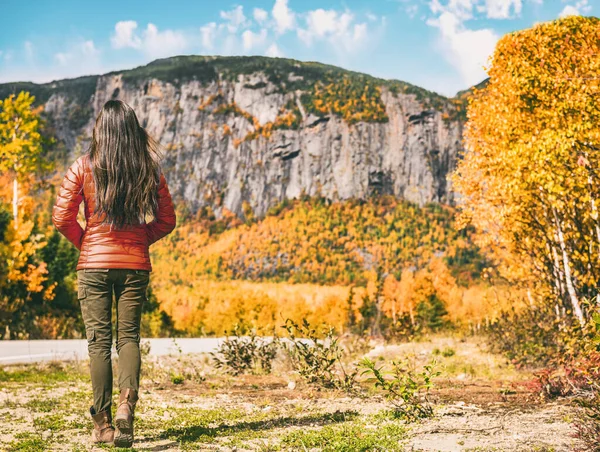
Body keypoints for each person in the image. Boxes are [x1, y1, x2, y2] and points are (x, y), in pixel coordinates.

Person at [52, 100, 176, 447]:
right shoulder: (147, 169)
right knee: (129, 339)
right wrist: (139, 241)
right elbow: (167, 220)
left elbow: (62, 218)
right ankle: (126, 406)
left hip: (93, 265)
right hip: (134, 265)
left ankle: (103, 424)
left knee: (99, 344)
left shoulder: (82, 166)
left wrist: (87, 245)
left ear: (100, 130)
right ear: (132, 129)